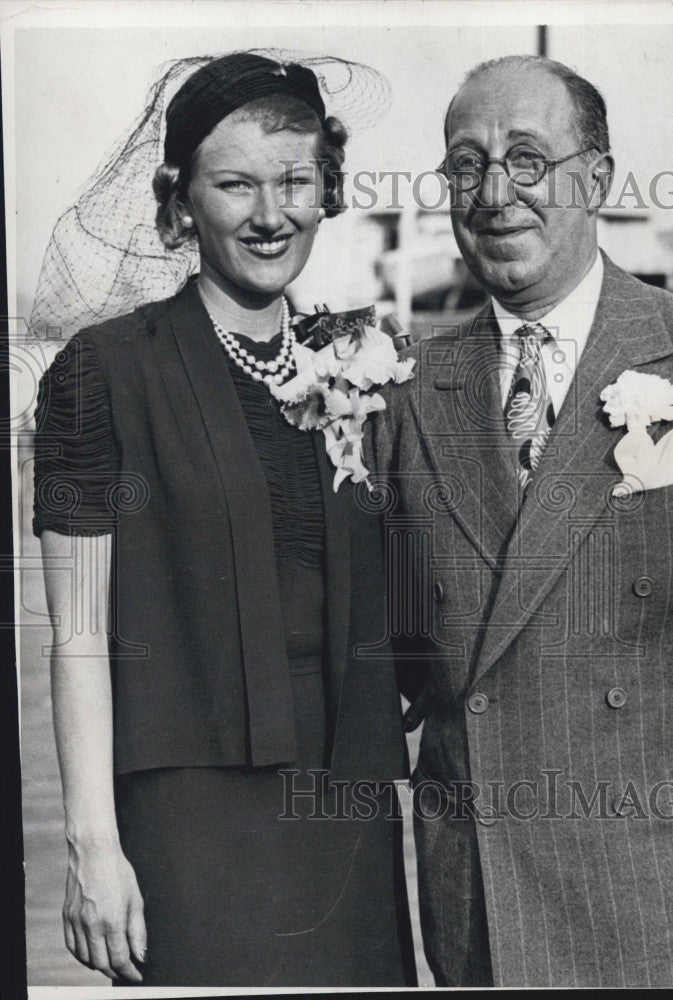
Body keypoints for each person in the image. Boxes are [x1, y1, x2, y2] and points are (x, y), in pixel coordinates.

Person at [33, 51, 415, 988]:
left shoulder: (364, 364)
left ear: (328, 190)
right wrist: (91, 846)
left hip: (346, 810)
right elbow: (77, 634)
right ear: (178, 204)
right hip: (187, 812)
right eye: (235, 185)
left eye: (295, 182)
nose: (270, 213)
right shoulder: (103, 372)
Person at [370, 55, 673, 988]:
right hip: (484, 912)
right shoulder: (403, 385)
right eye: (464, 167)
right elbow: (380, 642)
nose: (494, 194)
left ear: (596, 178)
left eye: (527, 160)